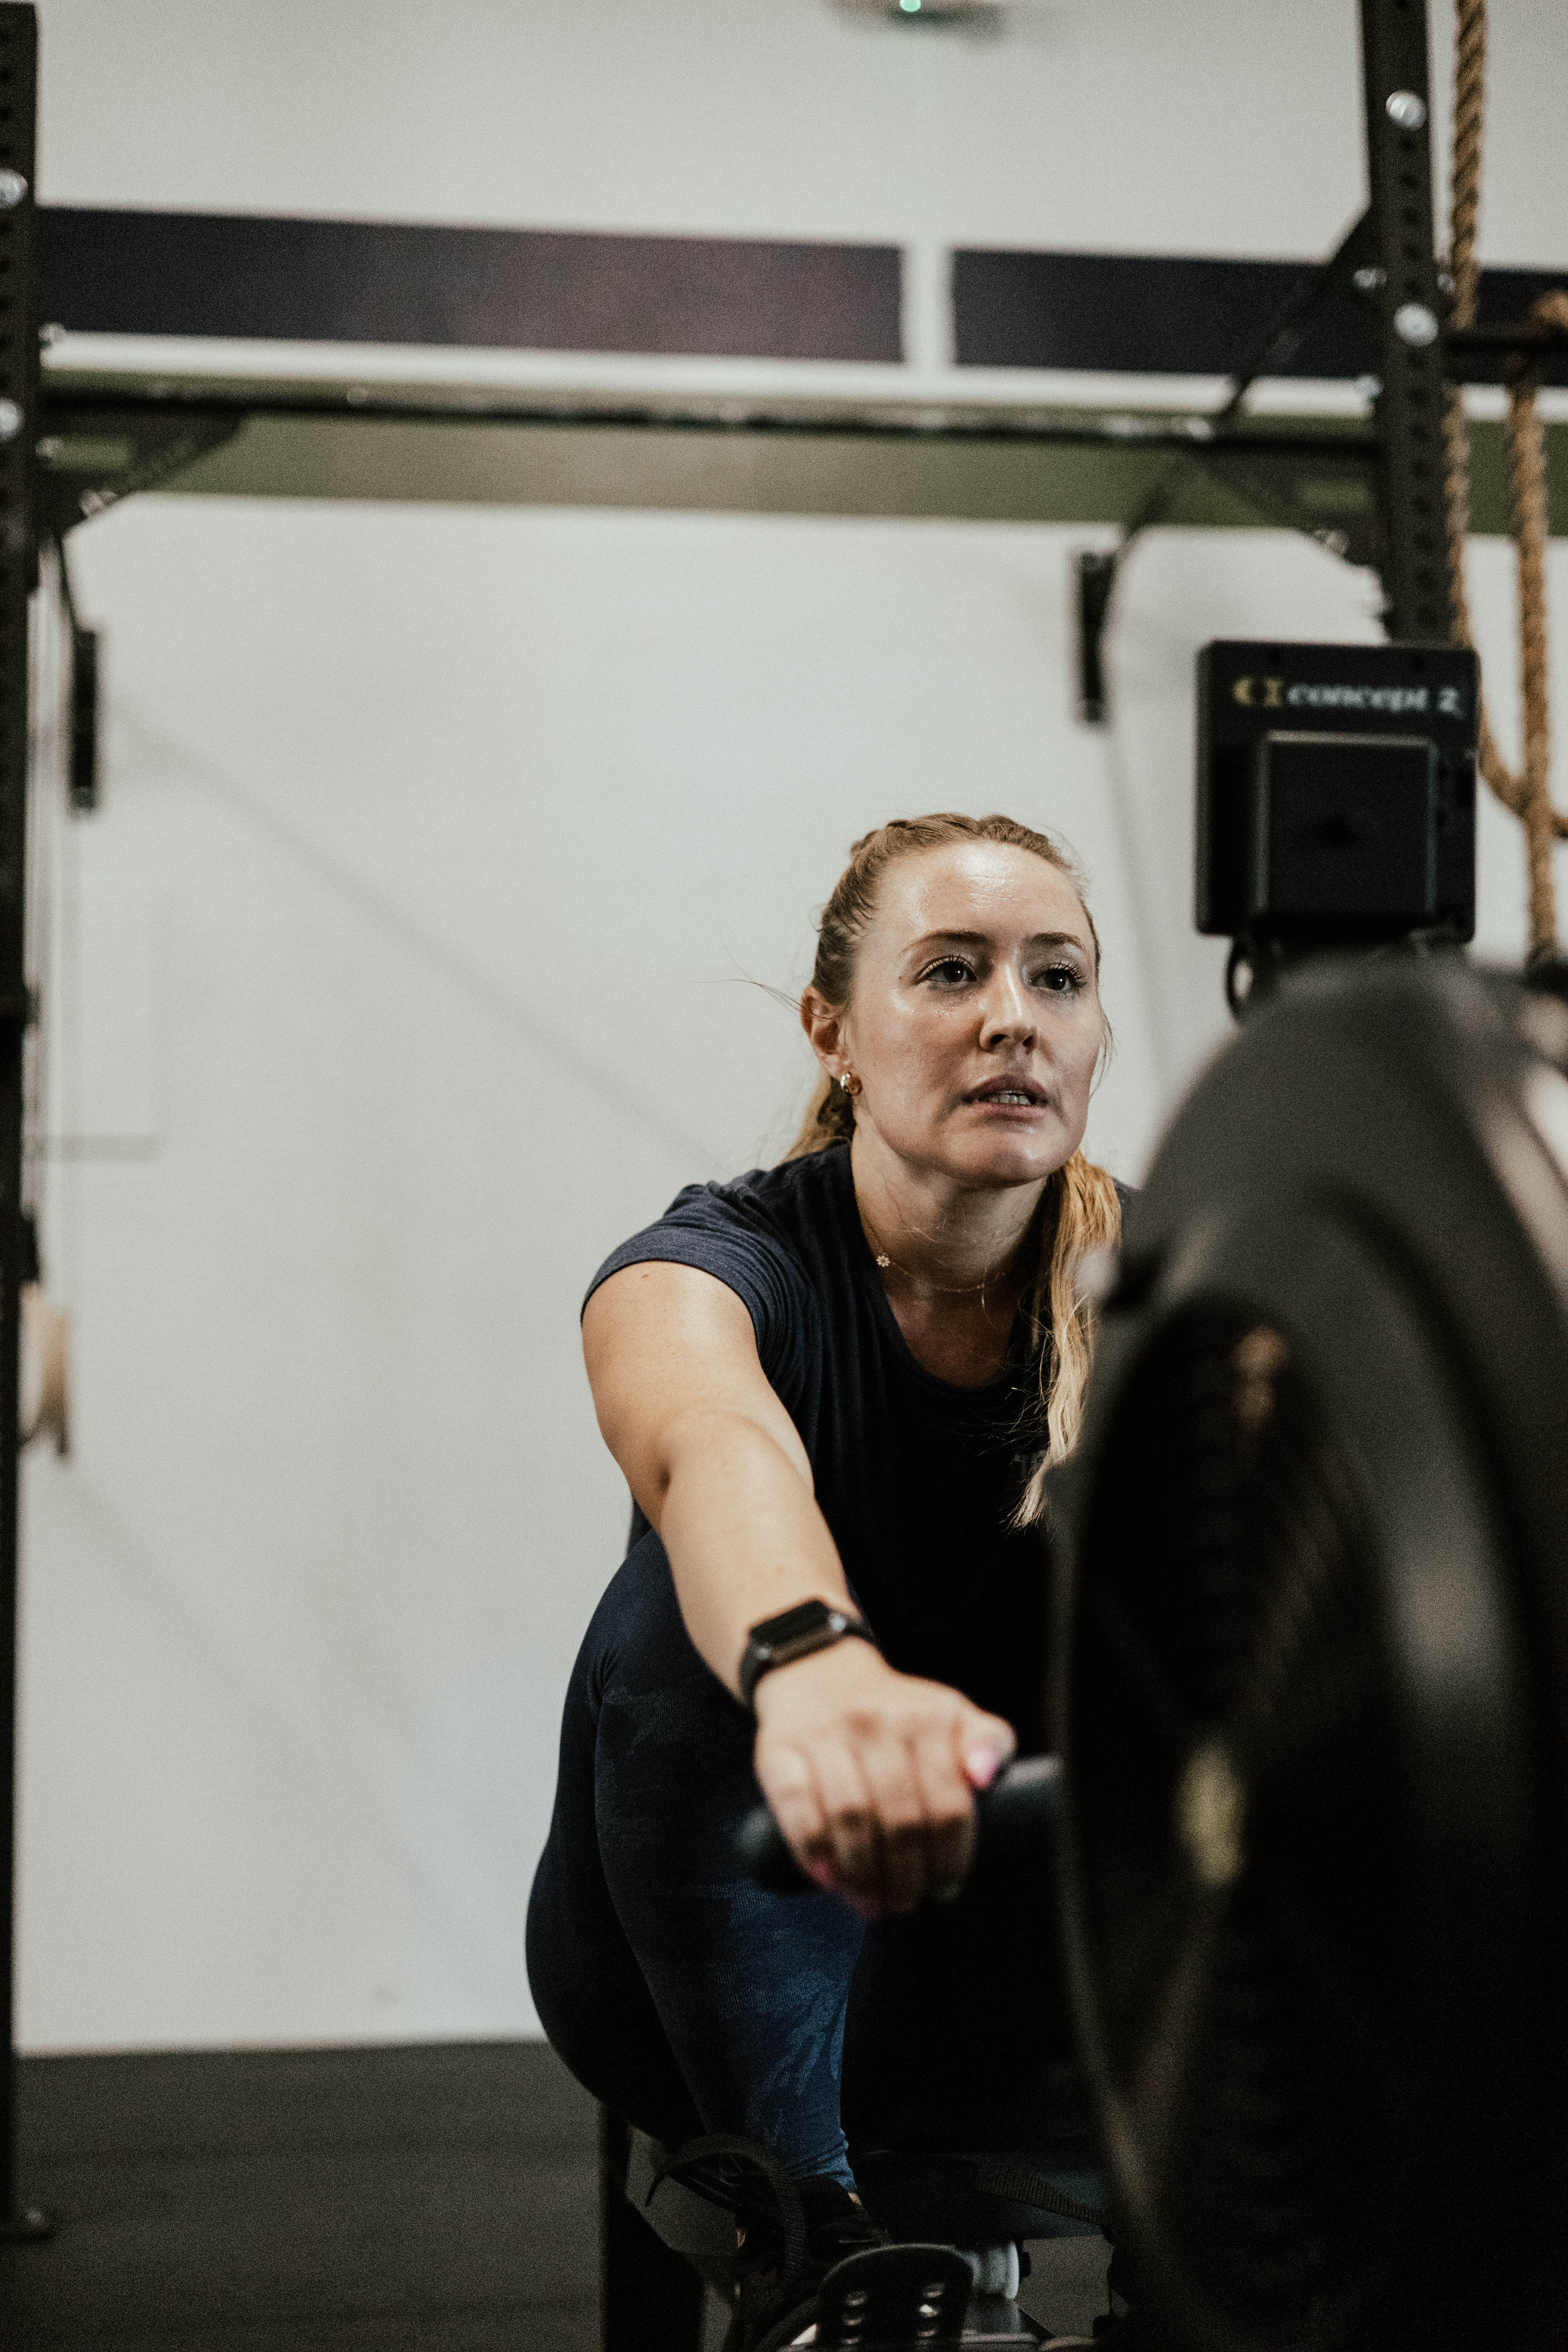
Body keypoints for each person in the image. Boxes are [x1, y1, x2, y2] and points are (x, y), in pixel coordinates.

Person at [527, 813, 1128, 2350]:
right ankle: (810, 2244)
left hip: (1036, 1957)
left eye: (1056, 978)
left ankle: (1207, 2251)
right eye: (951, 972)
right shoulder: (701, 1269)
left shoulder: (1165, 1289)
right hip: (710, 1958)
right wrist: (813, 1671)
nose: (1013, 1018)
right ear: (833, 1033)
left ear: (1096, 1034)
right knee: (667, 1621)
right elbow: (713, 1449)